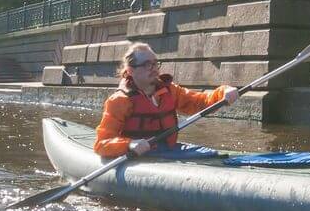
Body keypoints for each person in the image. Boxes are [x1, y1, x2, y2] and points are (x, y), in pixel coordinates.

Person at [93, 42, 238, 158]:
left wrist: (223, 92)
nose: (154, 68)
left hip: (168, 151)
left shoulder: (169, 90)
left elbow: (200, 101)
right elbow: (101, 144)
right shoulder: (119, 101)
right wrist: (129, 145)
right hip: (140, 156)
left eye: (155, 63)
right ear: (131, 71)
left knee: (211, 155)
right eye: (147, 64)